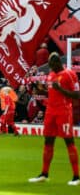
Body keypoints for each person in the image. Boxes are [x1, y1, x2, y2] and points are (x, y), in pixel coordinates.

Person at [29, 52, 79, 185]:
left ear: (57, 63)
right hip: (50, 111)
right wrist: (41, 91)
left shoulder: (69, 74)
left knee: (69, 141)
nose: (51, 68)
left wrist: (61, 89)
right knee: (48, 141)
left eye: (52, 65)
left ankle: (76, 176)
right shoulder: (51, 75)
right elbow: (52, 93)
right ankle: (44, 174)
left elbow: (77, 95)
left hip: (64, 111)